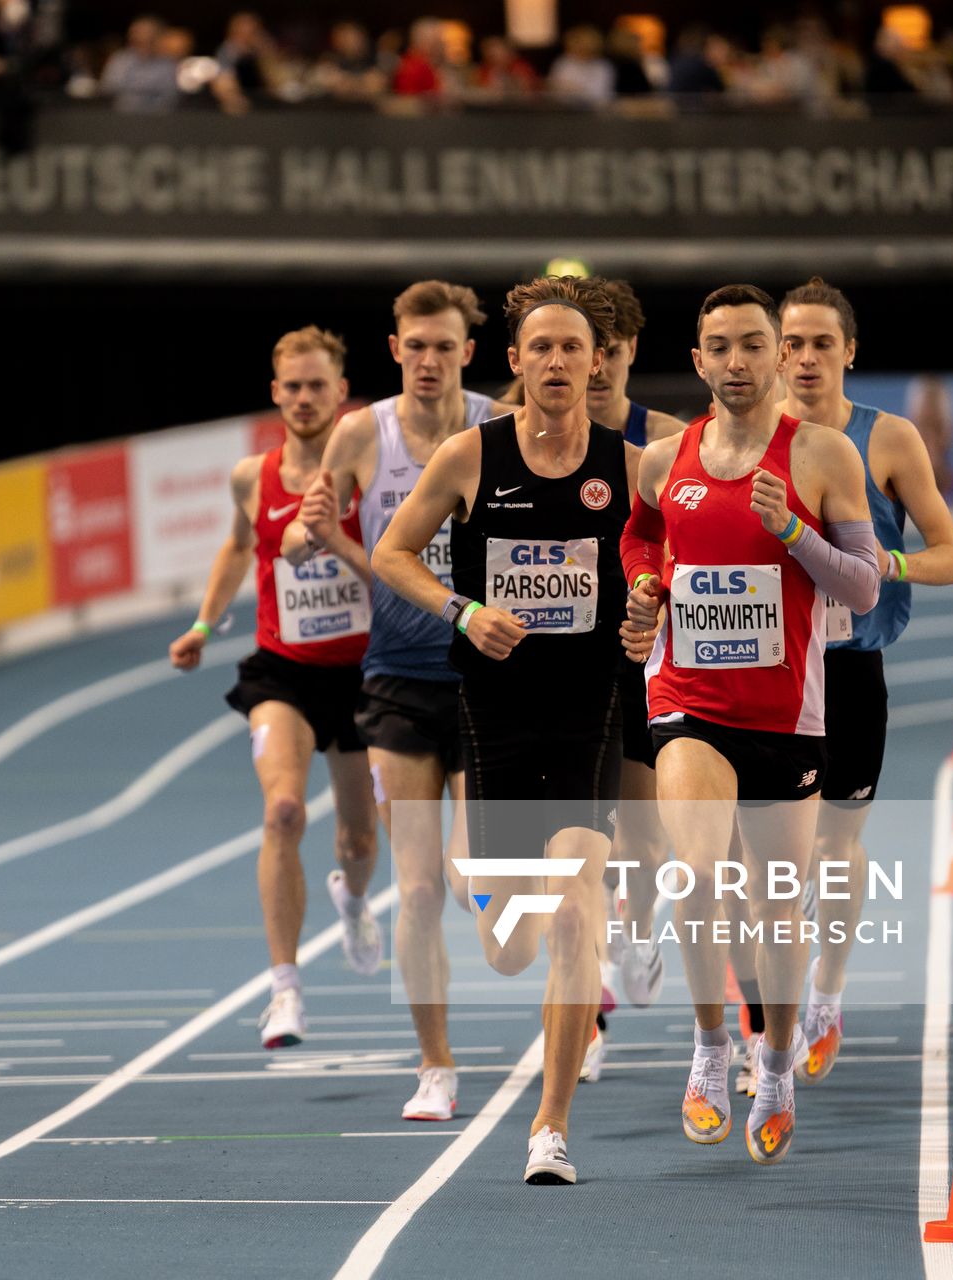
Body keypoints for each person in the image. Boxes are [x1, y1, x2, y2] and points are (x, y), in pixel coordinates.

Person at [374, 276, 636, 1184]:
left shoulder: (628, 464)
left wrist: (649, 605)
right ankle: (477, 875)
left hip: (589, 713)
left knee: (574, 910)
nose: (558, 362)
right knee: (509, 946)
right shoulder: (468, 457)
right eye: (543, 348)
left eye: (575, 348)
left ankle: (549, 1126)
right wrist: (462, 610)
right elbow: (390, 553)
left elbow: (675, 553)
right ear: (515, 362)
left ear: (596, 363)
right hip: (494, 718)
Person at [620, 284, 878, 1165]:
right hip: (688, 702)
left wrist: (795, 534)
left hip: (790, 716)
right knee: (695, 874)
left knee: (775, 906)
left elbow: (864, 586)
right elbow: (640, 538)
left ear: (777, 358)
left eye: (751, 347)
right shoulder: (663, 459)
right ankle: (707, 1049)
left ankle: (775, 1065)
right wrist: (647, 586)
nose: (736, 363)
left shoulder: (824, 455)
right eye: (718, 348)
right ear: (697, 361)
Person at [302, 281, 515, 1123]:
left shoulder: (496, 426)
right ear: (395, 350)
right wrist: (324, 538)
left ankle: (579, 965)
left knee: (474, 884)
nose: (429, 361)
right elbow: (323, 539)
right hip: (395, 677)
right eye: (415, 346)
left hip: (482, 677)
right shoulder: (362, 434)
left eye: (445, 346)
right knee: (419, 889)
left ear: (469, 350)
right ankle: (436, 1064)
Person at [168, 328, 383, 1049]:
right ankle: (284, 990)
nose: (303, 398)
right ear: (274, 392)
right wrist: (205, 621)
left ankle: (351, 902)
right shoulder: (250, 477)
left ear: (340, 393)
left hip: (360, 672)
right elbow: (238, 544)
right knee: (283, 810)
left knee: (357, 836)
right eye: (291, 386)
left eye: (316, 386)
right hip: (282, 671)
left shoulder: (365, 470)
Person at [775, 279, 953, 1084]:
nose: (808, 357)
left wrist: (881, 563)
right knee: (768, 862)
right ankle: (765, 1032)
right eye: (794, 343)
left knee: (836, 848)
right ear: (773, 352)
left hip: (852, 669)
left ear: (850, 351)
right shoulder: (747, 439)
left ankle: (826, 992)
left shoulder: (889, 440)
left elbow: (950, 556)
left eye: (824, 342)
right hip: (767, 676)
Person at [585, 279, 688, 1019]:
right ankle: (585, 1001)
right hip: (557, 663)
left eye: (610, 352)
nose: (595, 369)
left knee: (645, 843)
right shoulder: (521, 433)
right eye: (585, 351)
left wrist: (653, 596)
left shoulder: (667, 443)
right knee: (578, 847)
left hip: (638, 657)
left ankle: (640, 931)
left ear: (628, 354)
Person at [101, 16, 182, 112]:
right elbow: (109, 88)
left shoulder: (167, 64)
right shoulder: (120, 60)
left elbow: (171, 95)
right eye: (137, 34)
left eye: (147, 35)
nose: (141, 38)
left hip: (157, 119)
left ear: (157, 37)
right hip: (122, 117)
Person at [547, 27, 613, 107]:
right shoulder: (564, 62)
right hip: (563, 109)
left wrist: (574, 89)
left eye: (583, 45)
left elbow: (599, 95)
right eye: (576, 43)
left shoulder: (602, 66)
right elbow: (554, 88)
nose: (579, 48)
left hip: (594, 111)